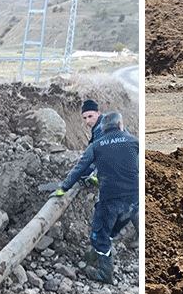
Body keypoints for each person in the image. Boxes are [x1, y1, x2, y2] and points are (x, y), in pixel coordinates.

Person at [53, 112, 138, 284]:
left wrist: (63, 188)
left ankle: (104, 274)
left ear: (102, 128)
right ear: (121, 125)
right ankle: (94, 255)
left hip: (110, 201)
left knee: (100, 235)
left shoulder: (96, 146)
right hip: (134, 202)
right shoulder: (134, 141)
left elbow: (79, 169)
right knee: (111, 231)